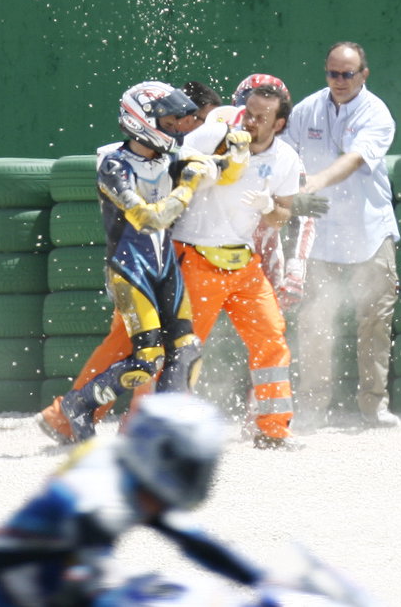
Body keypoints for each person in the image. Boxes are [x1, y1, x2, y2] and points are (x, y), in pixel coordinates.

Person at [43, 80, 303, 449]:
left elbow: (283, 214)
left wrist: (269, 208)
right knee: (160, 350)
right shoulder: (209, 134)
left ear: (278, 124)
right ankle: (122, 428)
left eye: (261, 117)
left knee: (271, 340)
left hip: (244, 261)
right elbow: (168, 166)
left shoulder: (287, 159)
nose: (250, 121)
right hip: (190, 256)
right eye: (247, 112)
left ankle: (273, 428)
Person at [38, 82, 225, 444]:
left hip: (164, 263)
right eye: (169, 120)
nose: (177, 128)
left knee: (187, 350)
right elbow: (148, 219)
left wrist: (235, 150)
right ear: (142, 121)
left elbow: (224, 170)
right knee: (147, 360)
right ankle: (79, 404)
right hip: (129, 269)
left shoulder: (171, 158)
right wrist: (187, 185)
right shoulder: (114, 165)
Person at [0, 393, 267, 606]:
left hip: (54, 585)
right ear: (159, 455)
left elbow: (194, 541)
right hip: (1, 594)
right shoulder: (99, 499)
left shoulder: (130, 472)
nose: (195, 479)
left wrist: (265, 580)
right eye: (189, 469)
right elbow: (92, 580)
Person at [281, 42, 400, 428]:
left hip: (370, 229)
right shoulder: (306, 110)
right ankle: (314, 405)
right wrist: (285, 195)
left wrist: (313, 182)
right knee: (316, 319)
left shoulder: (377, 113)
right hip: (320, 231)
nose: (339, 81)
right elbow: (283, 156)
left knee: (375, 321)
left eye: (348, 74)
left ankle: (374, 406)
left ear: (364, 74)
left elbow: (353, 159)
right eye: (333, 73)